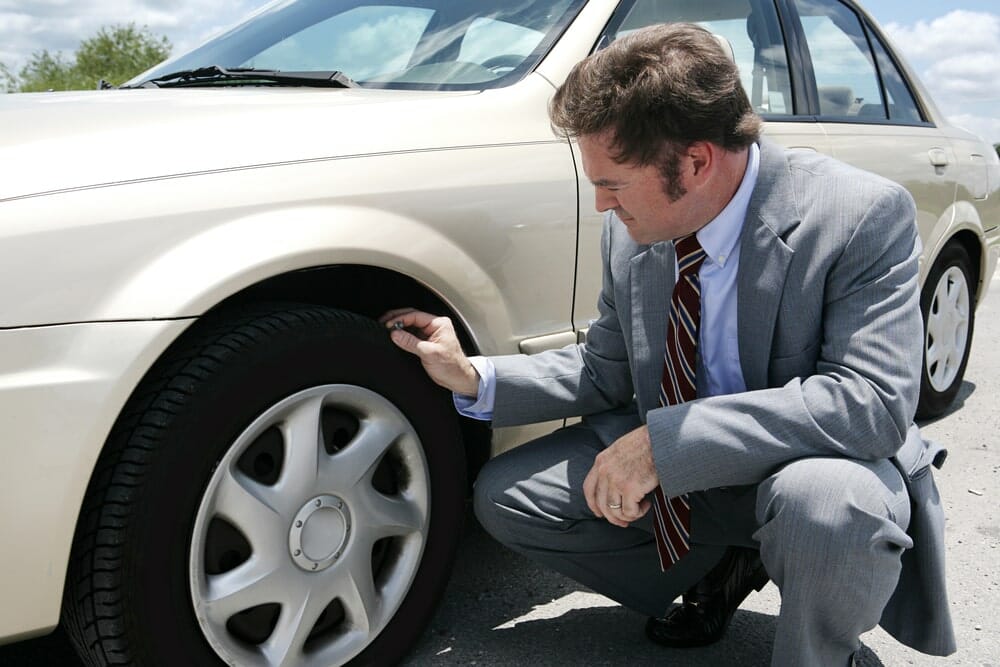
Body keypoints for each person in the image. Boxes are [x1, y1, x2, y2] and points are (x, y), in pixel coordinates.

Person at [381, 23, 955, 666]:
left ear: (696, 161)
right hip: (700, 474)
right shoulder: (631, 232)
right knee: (509, 497)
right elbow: (606, 368)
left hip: (809, 464)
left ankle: (822, 650)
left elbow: (870, 405)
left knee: (826, 508)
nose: (600, 204)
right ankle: (716, 568)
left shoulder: (860, 214)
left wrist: (665, 443)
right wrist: (474, 378)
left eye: (614, 185)